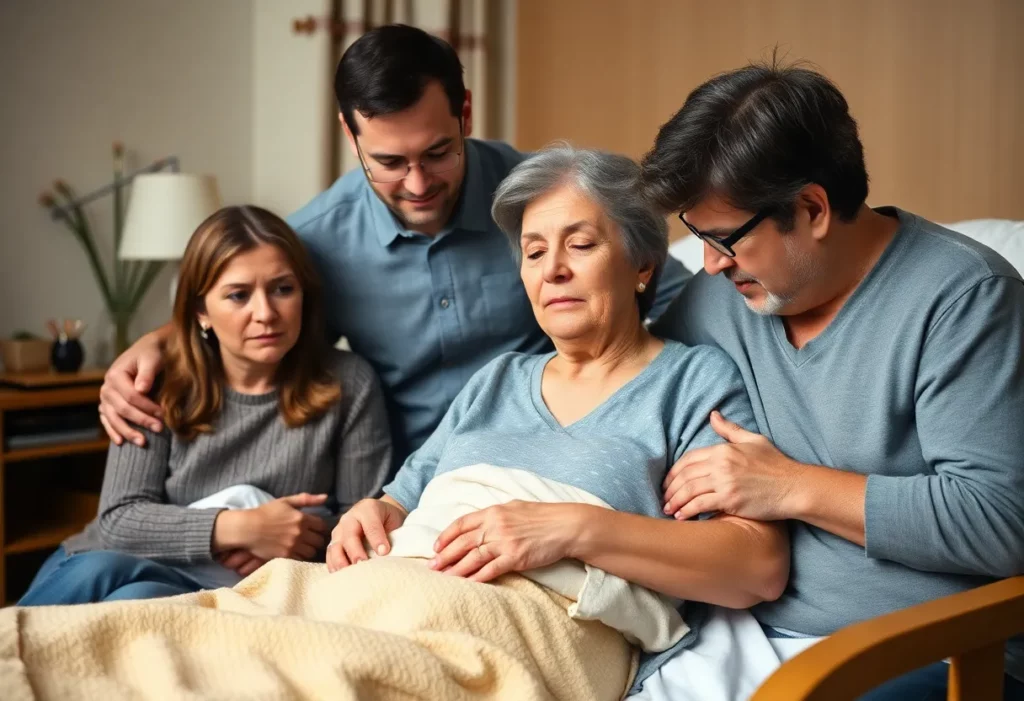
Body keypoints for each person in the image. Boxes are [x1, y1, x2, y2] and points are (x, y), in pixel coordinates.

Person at [96, 24, 690, 466]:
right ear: (349, 134)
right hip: (405, 485)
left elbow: (670, 292)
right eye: (388, 162)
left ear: (465, 113)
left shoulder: (549, 203)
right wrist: (162, 341)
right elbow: (259, 336)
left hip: (562, 458)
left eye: (437, 152)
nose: (418, 183)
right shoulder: (313, 243)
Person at [327, 145, 789, 695]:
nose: (554, 270)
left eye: (581, 244)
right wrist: (372, 513)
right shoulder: (496, 381)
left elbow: (757, 566)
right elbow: (399, 502)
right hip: (388, 599)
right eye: (534, 251)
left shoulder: (692, 382)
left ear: (642, 263)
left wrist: (570, 529)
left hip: (512, 635)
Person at [641, 59, 1024, 700]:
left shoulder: (966, 300)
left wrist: (790, 487)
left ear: (813, 208)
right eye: (697, 236)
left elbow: (1001, 521)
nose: (707, 265)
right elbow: (626, 398)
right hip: (734, 638)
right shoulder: (721, 301)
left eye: (725, 240)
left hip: (932, 650)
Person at [18, 206, 392, 605]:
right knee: (103, 571)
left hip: (215, 584)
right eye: (238, 295)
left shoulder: (349, 383)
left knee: (141, 601)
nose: (265, 313)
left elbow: (361, 521)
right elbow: (119, 519)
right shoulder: (157, 380)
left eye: (283, 288)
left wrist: (292, 539)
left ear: (305, 293)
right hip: (111, 559)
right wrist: (244, 528)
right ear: (201, 311)